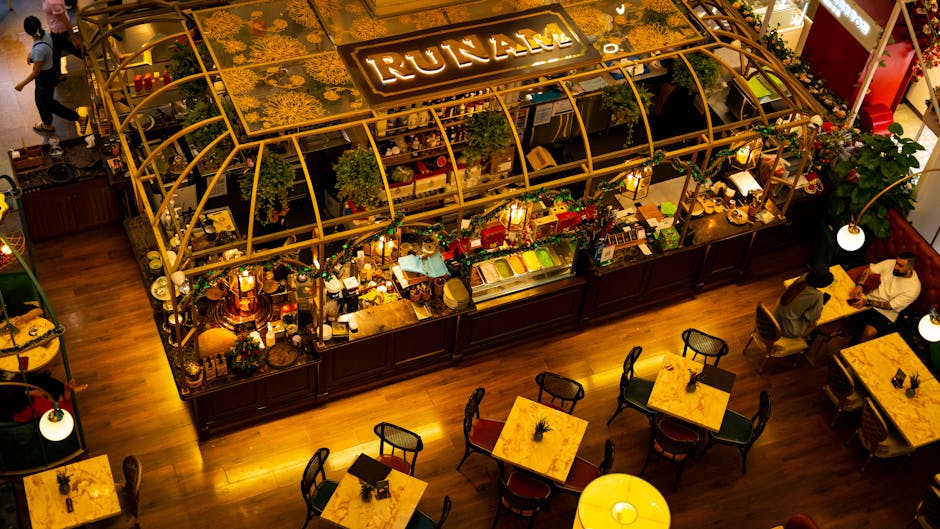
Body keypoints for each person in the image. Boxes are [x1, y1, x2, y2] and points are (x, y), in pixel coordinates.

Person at [14, 16, 87, 134]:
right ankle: (47, 124)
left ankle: (79, 118)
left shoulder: (39, 49)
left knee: (49, 104)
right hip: (50, 72)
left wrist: (22, 84)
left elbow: (36, 71)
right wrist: (30, 54)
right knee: (40, 100)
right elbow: (42, 53)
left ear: (28, 32)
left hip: (44, 78)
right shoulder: (45, 35)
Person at [849, 252, 922, 342]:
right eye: (896, 263)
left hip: (884, 312)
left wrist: (867, 303)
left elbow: (890, 306)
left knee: (869, 333)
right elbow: (867, 271)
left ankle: (853, 351)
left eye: (900, 266)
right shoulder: (890, 263)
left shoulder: (914, 288)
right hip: (867, 297)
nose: (895, 267)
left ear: (910, 268)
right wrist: (859, 285)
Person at [774, 267, 833, 338]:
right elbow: (813, 317)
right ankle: (803, 339)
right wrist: (820, 304)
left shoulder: (804, 277)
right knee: (814, 324)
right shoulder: (817, 295)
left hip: (775, 317)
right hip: (787, 329)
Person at [42, 0, 84, 78]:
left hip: (59, 31)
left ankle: (57, 75)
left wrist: (74, 38)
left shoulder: (54, 3)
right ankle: (87, 55)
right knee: (63, 48)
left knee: (56, 52)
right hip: (56, 29)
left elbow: (65, 20)